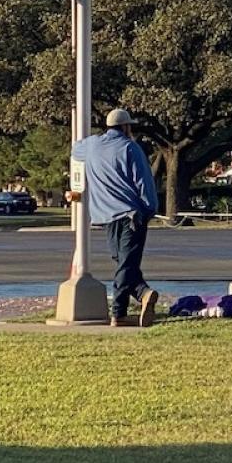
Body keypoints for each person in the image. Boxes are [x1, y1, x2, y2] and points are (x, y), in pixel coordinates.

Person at [67, 108, 160, 326]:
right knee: (126, 265)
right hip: (131, 216)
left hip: (106, 217)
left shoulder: (91, 146)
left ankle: (144, 294)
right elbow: (144, 183)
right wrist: (150, 210)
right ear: (127, 127)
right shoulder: (130, 148)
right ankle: (119, 313)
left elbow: (75, 149)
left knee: (122, 262)